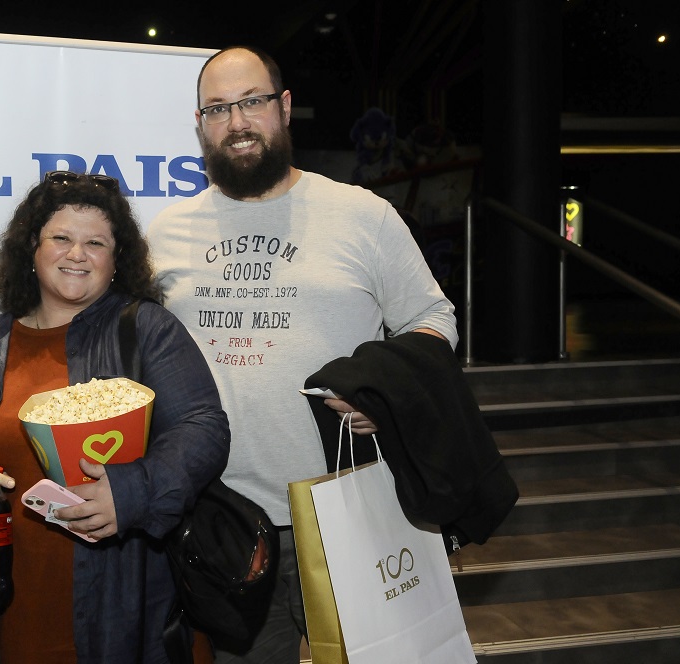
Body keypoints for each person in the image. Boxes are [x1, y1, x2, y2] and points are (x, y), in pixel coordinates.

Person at [147, 46, 458, 663]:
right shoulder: (164, 233)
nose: (237, 122)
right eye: (218, 109)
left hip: (354, 514)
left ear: (284, 108)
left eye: (252, 102)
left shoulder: (362, 215)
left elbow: (433, 318)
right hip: (226, 525)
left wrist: (389, 396)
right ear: (201, 124)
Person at [0, 171, 229, 664]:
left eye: (95, 242)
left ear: (116, 259)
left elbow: (203, 427)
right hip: (9, 604)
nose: (76, 254)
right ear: (32, 250)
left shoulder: (147, 330)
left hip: (124, 603)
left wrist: (130, 494)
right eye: (61, 237)